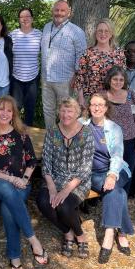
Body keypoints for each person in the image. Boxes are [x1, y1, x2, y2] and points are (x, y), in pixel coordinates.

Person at [0, 96, 48, 269]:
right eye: (1, 109)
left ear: (13, 114)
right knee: (7, 189)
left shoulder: (21, 134)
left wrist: (24, 179)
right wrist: (8, 178)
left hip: (21, 184)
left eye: (9, 110)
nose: (5, 113)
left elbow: (32, 160)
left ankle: (14, 257)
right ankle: (33, 240)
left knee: (8, 209)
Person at [36, 98, 94, 258]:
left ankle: (80, 234)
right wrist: (53, 187)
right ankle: (67, 232)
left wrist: (66, 190)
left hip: (77, 181)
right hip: (55, 178)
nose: (66, 114)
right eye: (63, 110)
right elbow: (46, 163)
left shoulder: (86, 133)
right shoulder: (53, 131)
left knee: (64, 206)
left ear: (77, 113)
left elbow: (85, 168)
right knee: (43, 201)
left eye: (70, 111)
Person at [88, 93, 134, 264]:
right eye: (93, 104)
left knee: (113, 187)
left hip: (117, 170)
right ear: (89, 107)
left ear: (106, 108)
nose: (97, 108)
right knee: (117, 193)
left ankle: (108, 234)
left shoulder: (114, 128)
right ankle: (120, 232)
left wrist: (112, 175)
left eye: (101, 105)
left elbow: (116, 155)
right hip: (95, 173)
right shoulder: (82, 125)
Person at [41, 0, 87, 128]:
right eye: (57, 10)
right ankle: (50, 138)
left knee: (66, 112)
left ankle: (65, 140)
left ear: (69, 12)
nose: (59, 13)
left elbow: (81, 58)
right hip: (46, 78)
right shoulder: (46, 27)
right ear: (52, 11)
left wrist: (77, 77)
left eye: (62, 10)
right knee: (48, 111)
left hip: (65, 80)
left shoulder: (76, 31)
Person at [104, 66, 135, 195]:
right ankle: (108, 195)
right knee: (109, 170)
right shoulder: (102, 95)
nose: (118, 82)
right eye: (115, 79)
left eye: (121, 79)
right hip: (108, 142)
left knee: (126, 172)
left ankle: (123, 196)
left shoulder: (130, 95)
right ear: (109, 80)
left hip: (130, 141)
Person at [74, 18, 126, 110]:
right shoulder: (87, 53)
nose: (103, 34)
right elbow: (80, 78)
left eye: (106, 31)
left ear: (111, 34)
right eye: (100, 31)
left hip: (112, 100)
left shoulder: (119, 54)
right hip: (90, 99)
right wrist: (81, 99)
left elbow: (122, 78)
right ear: (95, 33)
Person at [9, 7, 42, 126]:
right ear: (19, 20)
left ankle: (28, 136)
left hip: (33, 78)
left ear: (32, 19)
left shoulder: (39, 34)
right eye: (22, 17)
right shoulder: (12, 35)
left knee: (30, 108)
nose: (25, 19)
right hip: (16, 78)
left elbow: (46, 55)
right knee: (15, 108)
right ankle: (14, 132)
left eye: (28, 16)